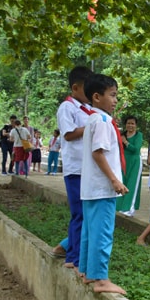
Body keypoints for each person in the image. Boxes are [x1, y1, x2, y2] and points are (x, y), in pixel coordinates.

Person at [79, 73, 128, 294]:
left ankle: (87, 272)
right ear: (97, 97)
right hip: (102, 188)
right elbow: (98, 153)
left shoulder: (92, 118)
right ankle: (100, 279)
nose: (116, 100)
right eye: (113, 95)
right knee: (103, 233)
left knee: (90, 231)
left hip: (91, 188)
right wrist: (114, 180)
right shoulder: (103, 121)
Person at [54, 66, 94, 269]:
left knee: (87, 213)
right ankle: (73, 258)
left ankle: (68, 248)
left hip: (88, 169)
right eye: (87, 88)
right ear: (75, 87)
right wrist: (91, 127)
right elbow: (68, 134)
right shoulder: (67, 108)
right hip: (75, 169)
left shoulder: (88, 110)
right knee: (79, 213)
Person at [116, 115, 143, 217]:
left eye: (132, 123)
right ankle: (119, 207)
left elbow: (136, 149)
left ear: (136, 125)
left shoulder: (138, 135)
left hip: (135, 162)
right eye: (128, 123)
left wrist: (126, 142)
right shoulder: (121, 134)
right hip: (123, 161)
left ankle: (128, 209)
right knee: (121, 183)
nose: (130, 125)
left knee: (132, 184)